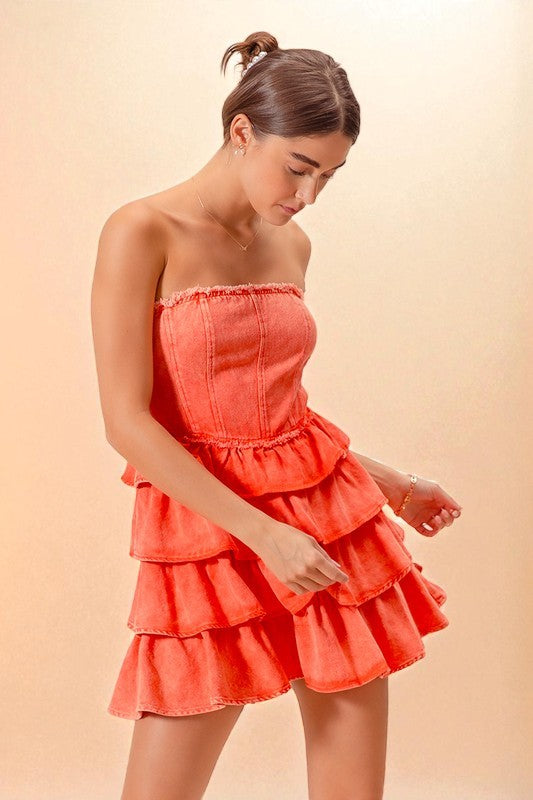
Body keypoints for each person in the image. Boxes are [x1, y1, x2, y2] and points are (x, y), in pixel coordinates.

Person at [91, 31, 461, 800]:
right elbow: (127, 422)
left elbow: (278, 418)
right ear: (241, 131)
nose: (307, 195)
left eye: (329, 176)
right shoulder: (141, 231)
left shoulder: (290, 246)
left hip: (325, 531)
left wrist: (390, 483)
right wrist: (264, 535)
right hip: (210, 540)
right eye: (298, 167)